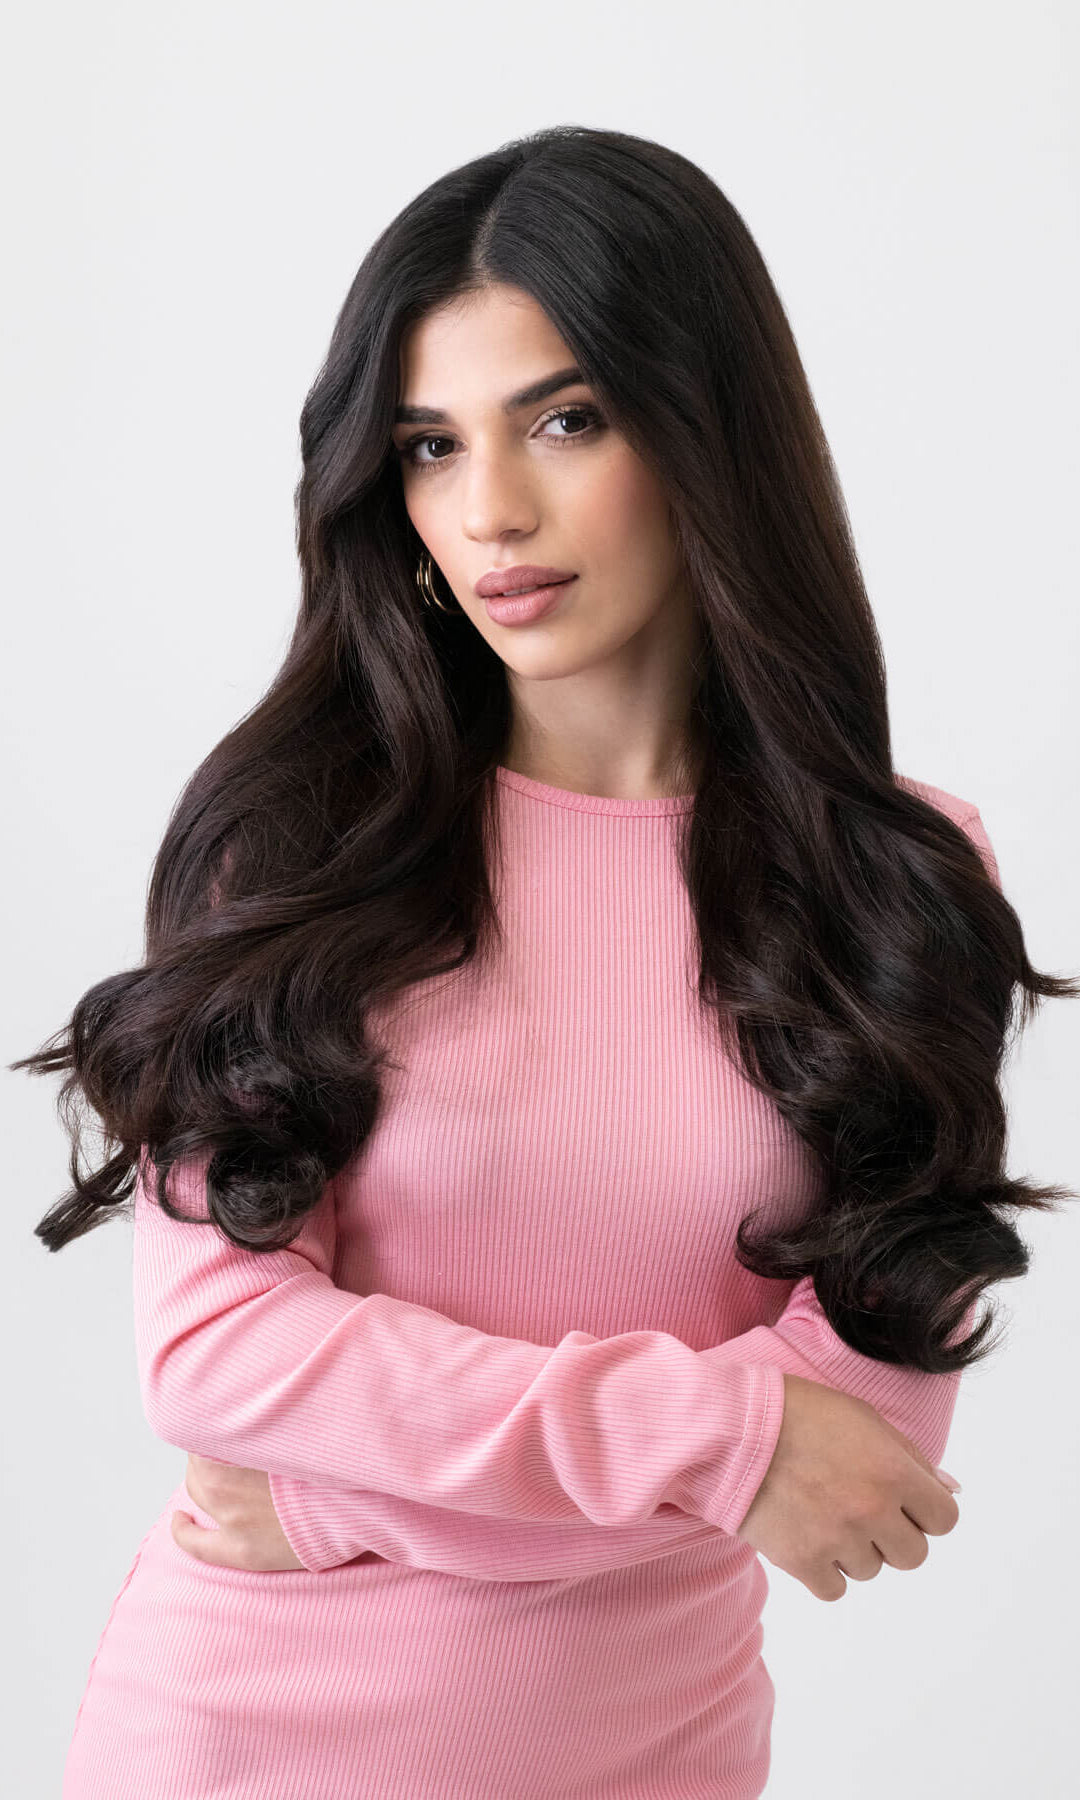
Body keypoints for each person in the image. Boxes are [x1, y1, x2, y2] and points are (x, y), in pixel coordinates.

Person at [22, 124, 1075, 1800]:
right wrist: (723, 1444)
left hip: (655, 1753)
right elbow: (216, 1354)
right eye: (430, 447)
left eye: (564, 422)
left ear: (708, 432)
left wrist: (326, 1497)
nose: (489, 511)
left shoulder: (895, 880)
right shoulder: (302, 853)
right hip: (241, 1744)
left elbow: (865, 1454)